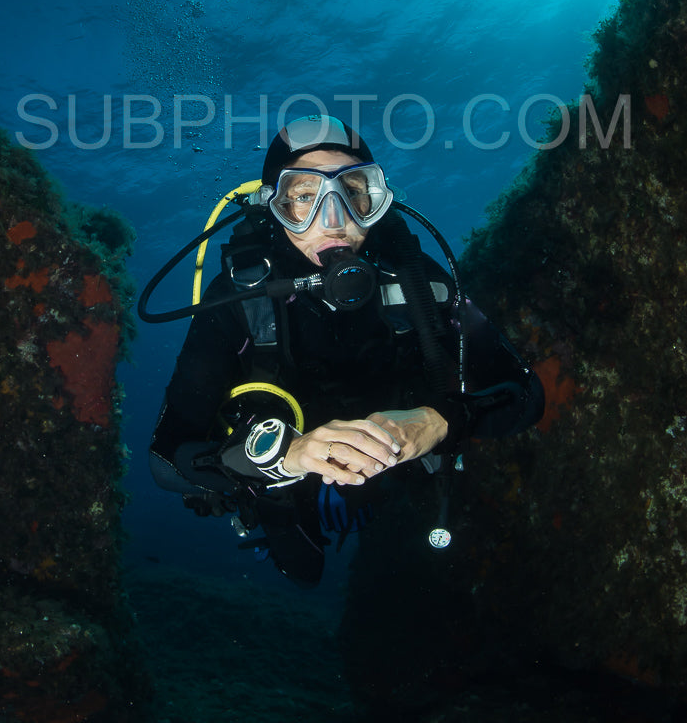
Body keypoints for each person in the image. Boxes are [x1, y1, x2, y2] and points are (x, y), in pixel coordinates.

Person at [147, 114, 544, 585]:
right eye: (303, 198)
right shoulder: (238, 298)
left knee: (429, 572)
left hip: (403, 470)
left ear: (377, 200)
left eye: (354, 193)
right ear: (273, 205)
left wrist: (440, 419)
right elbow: (167, 460)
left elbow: (525, 394)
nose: (334, 223)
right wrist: (287, 456)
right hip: (284, 483)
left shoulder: (420, 283)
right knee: (303, 570)